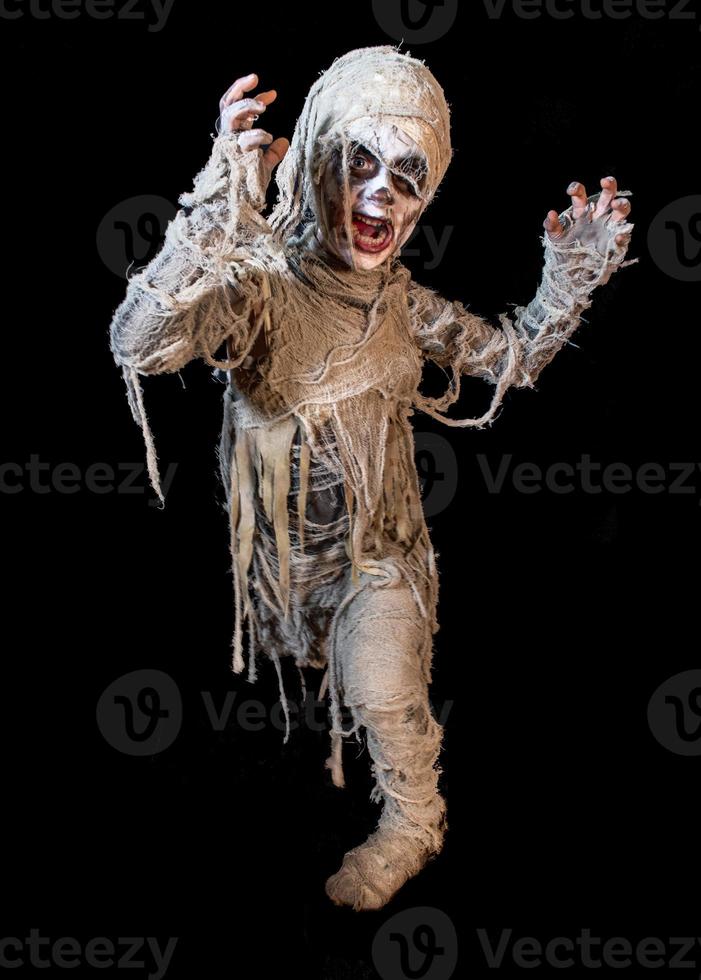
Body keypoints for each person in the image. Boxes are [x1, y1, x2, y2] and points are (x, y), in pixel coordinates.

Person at [109, 45, 635, 911]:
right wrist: (215, 205)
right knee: (293, 698)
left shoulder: (400, 302)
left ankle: (414, 822)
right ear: (315, 160)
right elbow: (142, 343)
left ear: (427, 194)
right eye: (357, 160)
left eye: (407, 172)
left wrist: (568, 278)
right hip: (283, 570)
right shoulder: (260, 289)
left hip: (377, 556)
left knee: (384, 690)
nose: (380, 193)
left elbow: (509, 359)